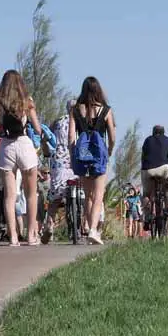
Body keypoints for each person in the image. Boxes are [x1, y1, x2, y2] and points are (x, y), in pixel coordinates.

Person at [0, 69, 44, 247]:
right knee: (30, 194)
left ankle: (13, 236)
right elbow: (37, 128)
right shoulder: (26, 101)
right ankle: (31, 235)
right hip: (24, 144)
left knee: (9, 196)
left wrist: (0, 130)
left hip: (6, 147)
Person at [69, 77, 116, 245]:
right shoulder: (106, 110)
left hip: (81, 154)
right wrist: (109, 150)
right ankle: (93, 230)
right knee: (98, 196)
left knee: (88, 196)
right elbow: (112, 135)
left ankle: (90, 228)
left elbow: (71, 137)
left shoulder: (75, 110)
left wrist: (72, 155)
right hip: (98, 154)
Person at [42, 106, 74, 243]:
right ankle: (82, 225)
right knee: (79, 193)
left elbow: (47, 138)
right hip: (75, 156)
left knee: (55, 196)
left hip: (59, 158)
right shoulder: (80, 120)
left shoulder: (58, 121)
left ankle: (49, 223)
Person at [140, 124, 168, 225]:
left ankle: (147, 216)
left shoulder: (147, 140)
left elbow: (143, 157)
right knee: (167, 187)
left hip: (148, 169)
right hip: (164, 168)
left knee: (146, 194)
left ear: (153, 132)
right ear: (163, 132)